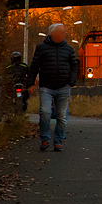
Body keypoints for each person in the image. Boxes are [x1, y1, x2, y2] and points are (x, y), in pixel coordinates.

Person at [26, 23, 79, 152]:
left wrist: (71, 82)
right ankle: (44, 139)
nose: (64, 34)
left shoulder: (68, 49)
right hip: (46, 87)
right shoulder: (41, 48)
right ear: (53, 34)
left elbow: (74, 66)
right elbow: (34, 66)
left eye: (64, 32)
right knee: (45, 112)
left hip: (63, 87)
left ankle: (58, 141)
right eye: (61, 32)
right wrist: (30, 83)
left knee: (61, 116)